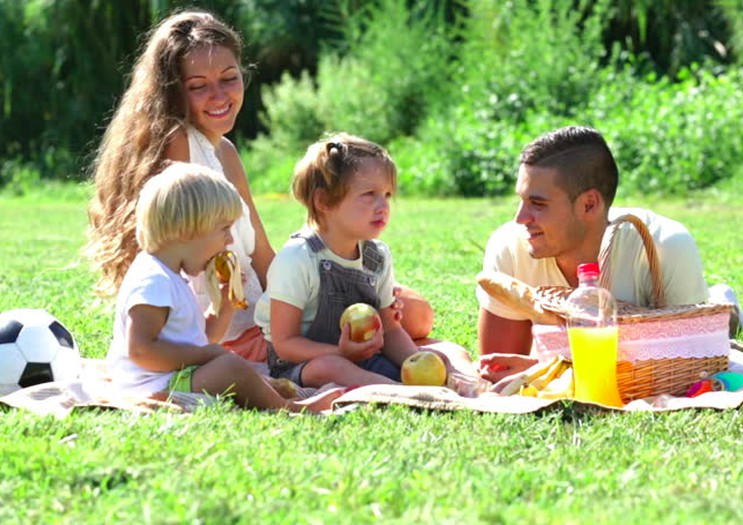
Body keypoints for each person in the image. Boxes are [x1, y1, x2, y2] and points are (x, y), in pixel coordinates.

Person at [85, 9, 433, 364]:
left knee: (415, 311)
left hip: (262, 309)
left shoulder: (224, 150)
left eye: (229, 78)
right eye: (198, 86)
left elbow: (261, 252)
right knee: (398, 322)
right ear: (173, 92)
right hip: (235, 328)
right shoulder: (179, 144)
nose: (219, 95)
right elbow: (182, 256)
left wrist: (301, 287)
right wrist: (285, 320)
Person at [477, 125, 743, 371]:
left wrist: (556, 369)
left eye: (538, 204)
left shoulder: (664, 245)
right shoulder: (510, 246)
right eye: (521, 200)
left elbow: (693, 366)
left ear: (589, 204)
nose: (520, 218)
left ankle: (723, 307)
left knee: (719, 338)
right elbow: (497, 368)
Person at [106, 162, 343, 412]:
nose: (230, 240)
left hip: (176, 378)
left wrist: (225, 308)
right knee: (232, 368)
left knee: (236, 366)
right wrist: (207, 356)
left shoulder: (172, 276)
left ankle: (271, 393)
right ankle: (290, 409)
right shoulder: (153, 280)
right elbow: (142, 351)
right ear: (188, 230)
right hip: (153, 387)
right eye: (224, 229)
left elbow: (200, 340)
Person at [254, 133, 476, 388]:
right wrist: (341, 353)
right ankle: (393, 390)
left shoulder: (377, 257)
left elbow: (391, 331)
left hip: (364, 359)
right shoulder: (298, 257)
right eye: (370, 194)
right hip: (302, 364)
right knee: (331, 368)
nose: (383, 206)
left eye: (388, 194)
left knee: (443, 354)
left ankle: (405, 386)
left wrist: (416, 362)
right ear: (324, 200)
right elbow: (285, 344)